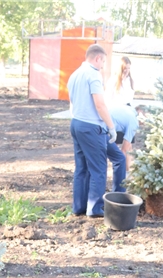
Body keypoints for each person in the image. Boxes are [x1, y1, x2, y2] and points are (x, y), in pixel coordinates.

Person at [67, 44, 125, 218]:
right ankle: (95, 209)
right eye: (103, 62)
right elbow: (100, 104)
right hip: (92, 127)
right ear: (97, 58)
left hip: (77, 123)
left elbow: (72, 101)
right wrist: (111, 128)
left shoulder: (75, 74)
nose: (103, 66)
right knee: (98, 169)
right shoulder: (93, 75)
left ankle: (79, 207)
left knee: (81, 168)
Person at [109, 104, 142, 174]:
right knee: (123, 152)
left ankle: (125, 171)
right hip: (103, 127)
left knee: (128, 147)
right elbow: (124, 150)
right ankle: (123, 174)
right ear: (141, 114)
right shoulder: (134, 122)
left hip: (104, 120)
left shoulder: (129, 109)